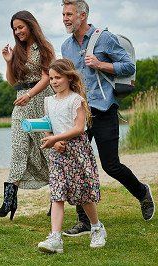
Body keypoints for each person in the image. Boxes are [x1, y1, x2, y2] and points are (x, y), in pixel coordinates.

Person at [60, 0, 155, 237]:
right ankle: (83, 220)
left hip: (104, 110)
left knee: (110, 165)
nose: (65, 18)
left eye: (69, 14)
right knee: (75, 165)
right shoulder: (65, 46)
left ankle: (142, 192)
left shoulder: (104, 38)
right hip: (79, 112)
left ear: (82, 15)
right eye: (63, 14)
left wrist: (101, 64)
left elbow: (128, 66)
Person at [38, 58, 106, 253]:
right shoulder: (48, 101)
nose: (54, 82)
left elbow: (78, 128)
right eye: (51, 78)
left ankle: (96, 227)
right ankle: (55, 239)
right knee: (57, 194)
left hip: (77, 151)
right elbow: (47, 126)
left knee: (83, 195)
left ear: (69, 77)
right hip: (57, 152)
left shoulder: (77, 99)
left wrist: (56, 139)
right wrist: (52, 139)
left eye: (58, 77)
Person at [0, 10, 55, 220]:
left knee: (47, 151)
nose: (18, 31)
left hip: (41, 101)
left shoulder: (44, 47)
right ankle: (9, 201)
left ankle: (56, 198)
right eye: (14, 29)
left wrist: (30, 94)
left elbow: (47, 77)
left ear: (30, 25)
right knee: (18, 148)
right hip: (21, 102)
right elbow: (12, 82)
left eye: (20, 27)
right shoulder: (17, 51)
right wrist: (8, 61)